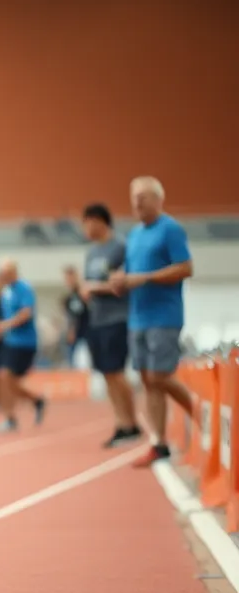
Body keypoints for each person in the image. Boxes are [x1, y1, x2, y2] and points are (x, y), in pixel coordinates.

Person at [109, 176, 195, 467]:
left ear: (159, 199)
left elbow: (185, 267)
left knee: (160, 376)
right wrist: (120, 280)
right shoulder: (133, 235)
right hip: (138, 317)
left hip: (164, 316)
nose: (137, 202)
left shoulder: (170, 229)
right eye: (134, 197)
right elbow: (132, 271)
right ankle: (158, 443)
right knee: (148, 381)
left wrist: (144, 278)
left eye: (144, 196)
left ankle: (202, 415)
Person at [79, 202, 140, 447]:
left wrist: (96, 288)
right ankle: (121, 423)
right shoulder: (91, 253)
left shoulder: (121, 247)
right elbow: (88, 281)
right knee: (107, 373)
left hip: (118, 317)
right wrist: (86, 289)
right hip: (97, 319)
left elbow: (125, 281)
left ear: (99, 221)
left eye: (87, 222)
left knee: (117, 372)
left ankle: (132, 423)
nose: (85, 228)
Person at [0, 259, 47, 432]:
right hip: (10, 342)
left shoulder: (24, 288)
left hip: (25, 342)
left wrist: (5, 325)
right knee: (4, 379)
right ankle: (32, 403)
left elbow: (26, 313)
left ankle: (16, 414)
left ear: (14, 271)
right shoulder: (6, 291)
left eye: (6, 272)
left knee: (5, 377)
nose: (4, 275)